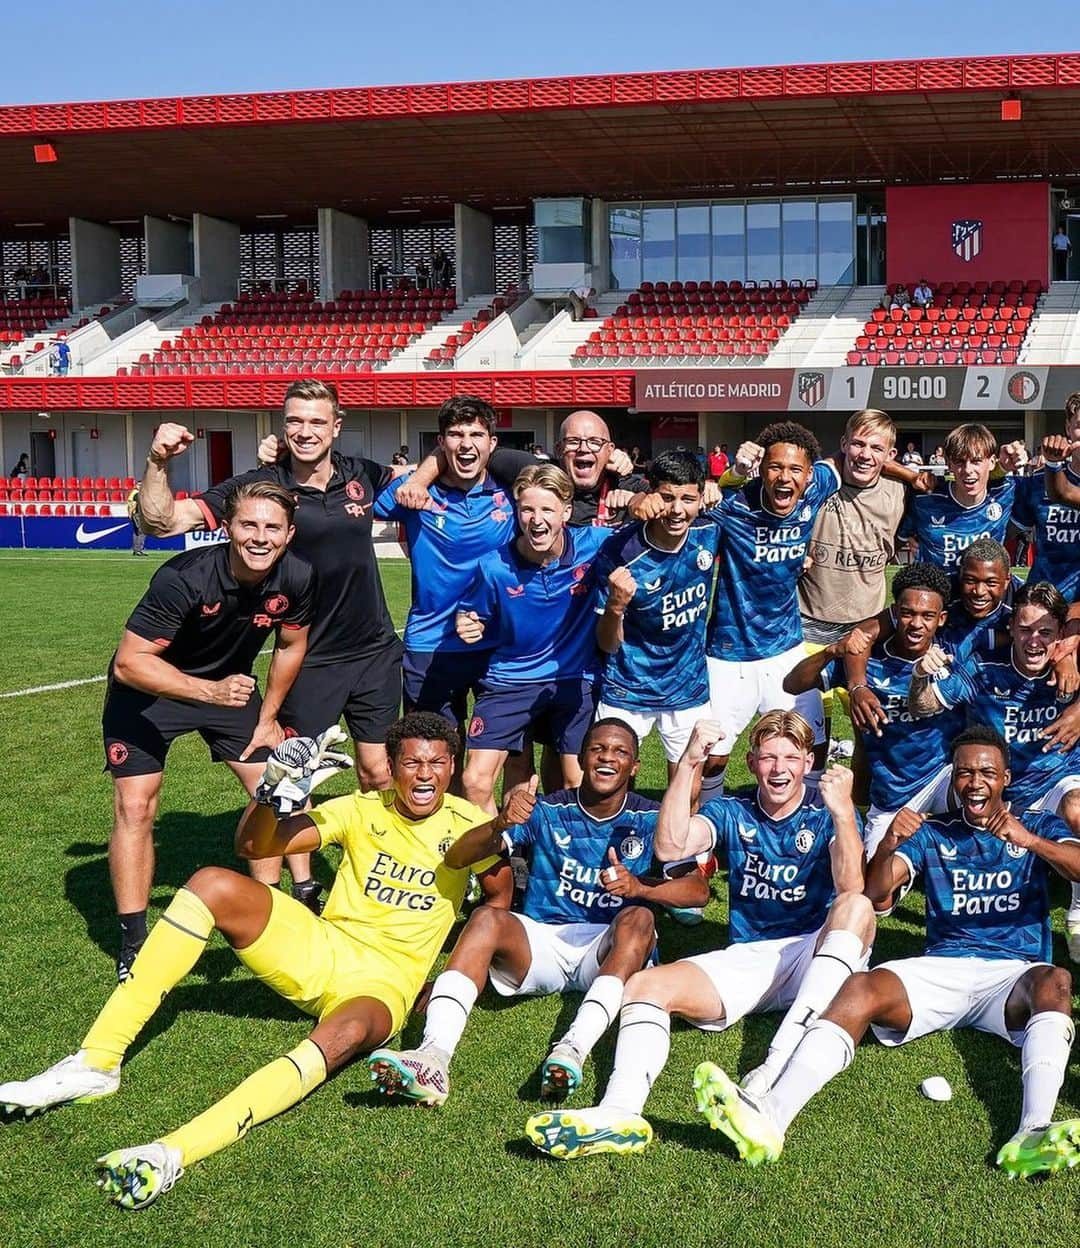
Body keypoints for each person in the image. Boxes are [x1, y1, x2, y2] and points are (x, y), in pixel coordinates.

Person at [0, 713, 506, 1209]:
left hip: (383, 985)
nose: (424, 775)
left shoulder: (472, 825)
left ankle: (171, 1152)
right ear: (390, 768)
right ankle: (96, 1061)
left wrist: (441, 977)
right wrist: (270, 793)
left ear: (453, 766)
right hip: (321, 948)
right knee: (211, 883)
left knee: (344, 1037)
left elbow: (497, 900)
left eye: (437, 763)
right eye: (412, 763)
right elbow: (252, 844)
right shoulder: (361, 807)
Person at [694, 726, 1080, 1179]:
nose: (975, 782)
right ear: (952, 778)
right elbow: (876, 895)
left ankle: (1033, 1130)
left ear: (1006, 778)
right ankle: (771, 1115)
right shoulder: (933, 832)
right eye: (964, 773)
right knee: (859, 987)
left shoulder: (1038, 824)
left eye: (987, 773)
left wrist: (1028, 840)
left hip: (1012, 975)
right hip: (943, 966)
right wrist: (892, 841)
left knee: (1055, 980)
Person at [525, 712, 873, 1158]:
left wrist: (844, 813)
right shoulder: (734, 809)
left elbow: (851, 887)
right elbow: (671, 847)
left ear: (809, 762)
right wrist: (689, 762)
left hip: (819, 950)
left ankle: (770, 1075)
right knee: (646, 985)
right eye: (768, 757)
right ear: (750, 762)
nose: (779, 769)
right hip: (754, 955)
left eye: (790, 757)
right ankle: (620, 1112)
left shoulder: (826, 812)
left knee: (856, 908)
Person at [367, 719, 709, 1105]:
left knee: (640, 916)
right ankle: (433, 1056)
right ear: (581, 758)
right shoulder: (545, 810)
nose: (607, 759)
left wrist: (640, 888)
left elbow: (698, 892)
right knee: (485, 918)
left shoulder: (652, 819)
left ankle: (573, 1048)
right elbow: (457, 857)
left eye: (620, 752)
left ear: (634, 767)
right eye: (597, 750)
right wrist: (501, 821)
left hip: (609, 948)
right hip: (542, 943)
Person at [137, 379, 409, 803]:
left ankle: (382, 861)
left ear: (336, 427)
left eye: (317, 422)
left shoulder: (360, 474)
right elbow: (162, 522)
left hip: (375, 651)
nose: (305, 431)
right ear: (282, 428)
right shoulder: (260, 488)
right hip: (307, 657)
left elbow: (412, 476)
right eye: (294, 422)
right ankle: (294, 870)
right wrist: (157, 461)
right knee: (293, 778)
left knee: (379, 772)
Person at [100, 481, 315, 980]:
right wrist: (207, 693)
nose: (259, 538)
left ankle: (272, 915)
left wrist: (268, 718)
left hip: (230, 692)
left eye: (272, 528)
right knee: (136, 805)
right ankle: (135, 941)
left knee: (276, 791)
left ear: (289, 534)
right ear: (227, 527)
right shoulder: (184, 578)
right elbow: (130, 665)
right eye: (248, 525)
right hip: (149, 693)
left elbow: (290, 646)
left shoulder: (299, 577)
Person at [907, 580, 1080, 958]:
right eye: (1025, 629)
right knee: (928, 817)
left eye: (1045, 632)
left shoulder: (1071, 666)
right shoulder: (984, 672)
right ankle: (962, 909)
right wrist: (921, 675)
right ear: (1011, 629)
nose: (1034, 641)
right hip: (994, 784)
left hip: (1055, 778)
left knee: (1077, 808)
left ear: (1061, 635)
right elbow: (923, 706)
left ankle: (1078, 906)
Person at [455, 464, 612, 813]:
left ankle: (562, 858)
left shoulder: (596, 546)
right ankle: (496, 863)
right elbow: (471, 612)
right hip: (509, 680)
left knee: (577, 781)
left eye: (547, 510)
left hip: (575, 678)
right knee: (475, 781)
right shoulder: (493, 566)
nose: (536, 520)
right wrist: (467, 623)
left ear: (566, 512)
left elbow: (648, 534)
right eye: (527, 509)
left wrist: (641, 495)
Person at [699, 422, 841, 799]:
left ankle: (807, 820)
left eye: (795, 469)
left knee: (809, 744)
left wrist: (910, 473)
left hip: (787, 650)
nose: (785, 477)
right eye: (776, 467)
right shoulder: (735, 505)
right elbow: (692, 500)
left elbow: (854, 456)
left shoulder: (818, 487)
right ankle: (708, 831)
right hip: (730, 654)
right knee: (712, 755)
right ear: (762, 469)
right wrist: (730, 475)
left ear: (809, 475)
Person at [785, 563, 963, 858]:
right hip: (890, 793)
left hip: (942, 778)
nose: (916, 623)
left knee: (978, 788)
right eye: (908, 613)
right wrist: (832, 650)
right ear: (895, 613)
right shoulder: (870, 661)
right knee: (876, 892)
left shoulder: (952, 658)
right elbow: (793, 684)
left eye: (927, 616)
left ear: (941, 619)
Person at [373, 396, 517, 759]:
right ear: (441, 443)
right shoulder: (414, 494)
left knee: (504, 756)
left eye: (476, 434)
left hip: (496, 644)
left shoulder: (512, 492)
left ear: (492, 444)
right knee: (432, 757)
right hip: (430, 645)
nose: (466, 444)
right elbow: (360, 504)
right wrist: (420, 475)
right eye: (455, 434)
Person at [593, 450, 718, 780]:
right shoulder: (618, 552)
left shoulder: (709, 531)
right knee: (608, 784)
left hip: (687, 688)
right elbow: (606, 645)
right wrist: (616, 606)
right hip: (627, 688)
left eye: (688, 499)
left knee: (687, 792)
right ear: (651, 493)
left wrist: (729, 481)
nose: (677, 510)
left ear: (701, 497)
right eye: (667, 498)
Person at [898, 423, 1022, 571]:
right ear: (949, 464)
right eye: (959, 462)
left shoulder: (1007, 491)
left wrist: (1017, 455)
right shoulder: (925, 499)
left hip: (981, 592)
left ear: (992, 462)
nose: (968, 470)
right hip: (935, 591)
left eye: (976, 461)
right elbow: (897, 541)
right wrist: (911, 476)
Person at [1013, 397, 1080, 602]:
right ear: (1068, 428)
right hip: (1042, 606)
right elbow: (999, 531)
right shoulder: (1036, 483)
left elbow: (1062, 493)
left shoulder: (1051, 477)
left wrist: (1052, 464)